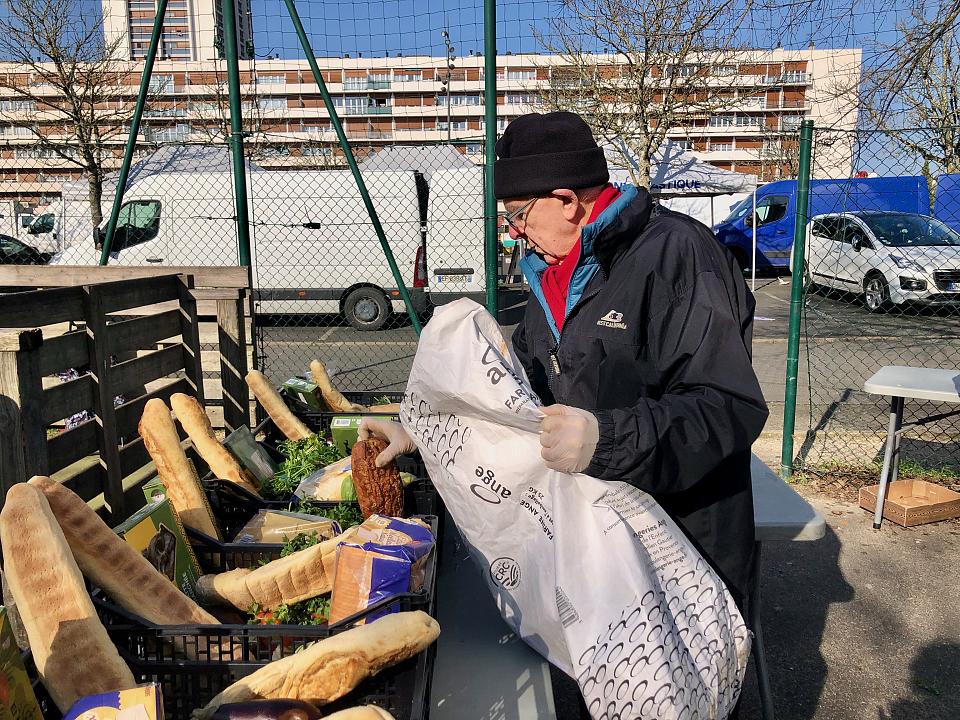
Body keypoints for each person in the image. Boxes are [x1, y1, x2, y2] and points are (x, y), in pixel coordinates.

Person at [360, 110, 768, 611]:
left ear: (567, 201)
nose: (513, 234)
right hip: (597, 541)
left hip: (684, 545)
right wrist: (425, 432)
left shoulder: (679, 255)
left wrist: (604, 437)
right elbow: (515, 397)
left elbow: (727, 405)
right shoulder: (550, 275)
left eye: (518, 215)